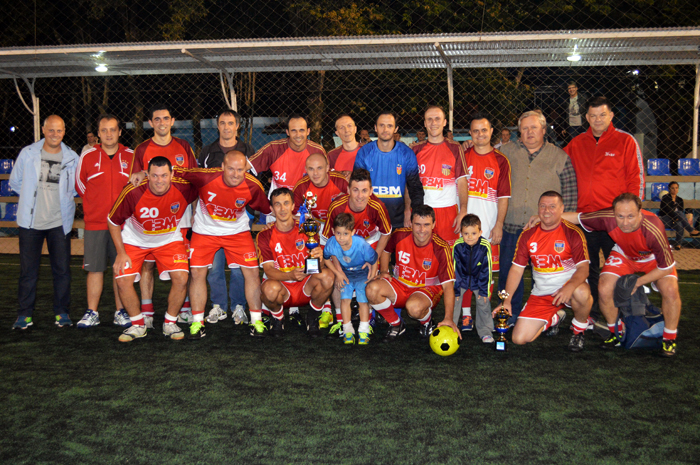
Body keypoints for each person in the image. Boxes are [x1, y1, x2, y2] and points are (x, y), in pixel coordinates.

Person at [558, 193, 679, 357]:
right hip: (625, 254)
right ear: (613, 213)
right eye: (620, 216)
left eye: (631, 216)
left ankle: (669, 338)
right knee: (604, 287)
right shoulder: (606, 217)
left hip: (652, 259)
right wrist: (542, 218)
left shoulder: (654, 228)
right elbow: (577, 217)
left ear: (640, 213)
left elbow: (666, 268)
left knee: (671, 291)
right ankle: (615, 332)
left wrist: (638, 282)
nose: (625, 222)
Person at [173, 151, 272, 338]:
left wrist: (275, 221)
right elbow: (177, 172)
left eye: (240, 170)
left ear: (246, 169)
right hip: (205, 232)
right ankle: (197, 323)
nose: (236, 174)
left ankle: (257, 321)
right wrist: (143, 173)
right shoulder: (205, 176)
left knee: (251, 272)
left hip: (237, 232)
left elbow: (267, 208)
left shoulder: (253, 185)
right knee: (197, 273)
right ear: (223, 168)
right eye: (231, 169)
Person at [564, 96, 644, 321]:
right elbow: (556, 162)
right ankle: (591, 313)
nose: (597, 119)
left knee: (620, 268)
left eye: (603, 114)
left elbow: (636, 178)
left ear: (611, 116)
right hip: (585, 219)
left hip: (614, 221)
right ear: (587, 117)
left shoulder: (625, 141)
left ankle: (625, 313)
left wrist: (633, 215)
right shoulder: (577, 143)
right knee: (587, 269)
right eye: (593, 115)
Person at [499, 110, 578, 325]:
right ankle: (507, 314)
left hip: (546, 231)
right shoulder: (505, 152)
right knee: (507, 275)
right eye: (524, 128)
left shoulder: (559, 156)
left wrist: (561, 227)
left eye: (534, 127)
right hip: (512, 227)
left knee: (546, 278)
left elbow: (570, 197)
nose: (529, 132)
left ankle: (551, 314)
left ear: (543, 130)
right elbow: (482, 156)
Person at [107, 156, 198, 342]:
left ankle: (170, 322)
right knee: (123, 278)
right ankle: (137, 324)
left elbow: (204, 182)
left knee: (182, 277)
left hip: (169, 238)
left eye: (164, 175)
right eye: (155, 176)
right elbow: (112, 221)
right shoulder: (133, 191)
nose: (159, 181)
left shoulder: (184, 188)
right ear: (147, 175)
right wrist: (121, 252)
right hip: (135, 240)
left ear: (172, 174)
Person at [130, 105, 199, 325]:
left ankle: (185, 308)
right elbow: (133, 182)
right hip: (151, 217)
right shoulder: (142, 149)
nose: (162, 123)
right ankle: (147, 312)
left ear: (172, 121)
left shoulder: (184, 146)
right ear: (151, 123)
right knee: (147, 265)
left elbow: (195, 179)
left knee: (182, 264)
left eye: (166, 118)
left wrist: (196, 210)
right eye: (157, 119)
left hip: (181, 216)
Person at [10, 115, 79, 330]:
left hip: (60, 223)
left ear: (64, 131)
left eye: (59, 131)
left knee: (62, 271)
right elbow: (15, 182)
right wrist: (33, 198)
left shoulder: (72, 157)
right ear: (43, 129)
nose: (55, 135)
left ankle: (62, 313)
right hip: (31, 224)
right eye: (51, 130)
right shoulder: (28, 153)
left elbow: (76, 186)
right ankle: (24, 315)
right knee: (28, 272)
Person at [500, 191, 592, 352]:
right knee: (518, 339)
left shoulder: (573, 232)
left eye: (552, 206)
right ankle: (555, 317)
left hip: (570, 289)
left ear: (562, 209)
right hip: (542, 294)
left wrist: (569, 287)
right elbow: (516, 269)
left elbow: (584, 269)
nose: (546, 210)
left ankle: (578, 331)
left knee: (582, 292)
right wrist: (506, 301)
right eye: (542, 206)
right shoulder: (528, 235)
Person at [75, 114, 135, 328]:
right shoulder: (88, 156)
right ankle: (92, 312)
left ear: (120, 132)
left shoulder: (131, 155)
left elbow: (136, 189)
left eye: (113, 129)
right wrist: (96, 206)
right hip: (96, 223)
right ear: (98, 134)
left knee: (121, 269)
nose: (109, 134)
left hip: (124, 225)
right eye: (104, 130)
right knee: (95, 269)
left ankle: (121, 312)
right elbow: (80, 186)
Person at [365, 205, 457, 341]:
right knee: (371, 290)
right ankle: (396, 324)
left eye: (426, 225)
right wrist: (384, 270)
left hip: (426, 289)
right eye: (418, 224)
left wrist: (448, 318)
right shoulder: (400, 235)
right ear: (411, 224)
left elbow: (448, 287)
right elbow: (386, 250)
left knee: (414, 308)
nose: (422, 230)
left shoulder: (441, 247)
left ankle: (426, 323)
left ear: (433, 225)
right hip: (400, 284)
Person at [198, 109, 255, 326]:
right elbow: (200, 184)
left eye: (231, 123)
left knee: (239, 266)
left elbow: (254, 185)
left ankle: (239, 306)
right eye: (222, 123)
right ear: (218, 125)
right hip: (211, 221)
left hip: (239, 217)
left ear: (237, 125)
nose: (227, 127)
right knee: (214, 266)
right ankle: (218, 306)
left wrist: (250, 212)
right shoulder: (207, 152)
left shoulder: (248, 150)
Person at [256, 188, 335, 337]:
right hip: (283, 287)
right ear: (272, 209)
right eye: (277, 204)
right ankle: (278, 318)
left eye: (286, 203)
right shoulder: (265, 235)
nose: (282, 208)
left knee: (328, 276)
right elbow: (268, 270)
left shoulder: (308, 228)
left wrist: (320, 259)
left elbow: (320, 266)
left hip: (305, 285)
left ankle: (312, 317)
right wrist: (291, 276)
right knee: (268, 289)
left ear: (293, 206)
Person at [322, 169, 392, 335]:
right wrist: (338, 271)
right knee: (338, 279)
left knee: (369, 279)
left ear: (371, 191)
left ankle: (367, 320)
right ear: (348, 190)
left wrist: (373, 257)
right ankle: (341, 321)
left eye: (364, 190)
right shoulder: (337, 207)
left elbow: (386, 233)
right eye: (355, 190)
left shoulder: (378, 206)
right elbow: (329, 243)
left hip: (368, 244)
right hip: (341, 245)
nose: (360, 196)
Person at [461, 113, 511, 329]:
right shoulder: (462, 156)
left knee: (486, 274)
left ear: (491, 132)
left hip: (488, 228)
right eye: (475, 131)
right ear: (470, 134)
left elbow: (503, 197)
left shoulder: (501, 160)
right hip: (463, 228)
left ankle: (483, 315)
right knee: (462, 271)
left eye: (484, 130)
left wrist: (499, 224)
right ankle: (465, 315)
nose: (480, 134)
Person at [292, 153, 348, 327]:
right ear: (305, 170)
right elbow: (295, 218)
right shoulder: (301, 187)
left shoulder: (341, 182)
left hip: (339, 230)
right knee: (317, 265)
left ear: (327, 169)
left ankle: (342, 316)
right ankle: (325, 309)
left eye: (319, 168)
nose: (315, 173)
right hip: (314, 230)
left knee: (340, 267)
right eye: (310, 169)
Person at [354, 111, 424, 229]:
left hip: (399, 221)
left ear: (396, 129)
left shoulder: (406, 154)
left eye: (389, 126)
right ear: (375, 128)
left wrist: (413, 214)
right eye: (381, 125)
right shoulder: (364, 153)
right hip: (370, 220)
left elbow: (415, 187)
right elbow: (356, 186)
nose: (385, 129)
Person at [411, 105, 468, 246]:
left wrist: (463, 210)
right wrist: (408, 210)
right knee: (422, 255)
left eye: (437, 119)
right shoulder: (415, 149)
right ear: (424, 123)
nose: (433, 123)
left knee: (447, 258)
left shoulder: (456, 148)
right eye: (429, 119)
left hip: (447, 211)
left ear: (444, 122)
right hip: (421, 211)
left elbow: (462, 182)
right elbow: (409, 184)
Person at [323, 213, 378, 345]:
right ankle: (347, 330)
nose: (341, 238)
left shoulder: (361, 244)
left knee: (362, 301)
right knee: (345, 299)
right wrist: (337, 273)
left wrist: (373, 275)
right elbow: (326, 259)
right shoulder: (331, 243)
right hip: (345, 274)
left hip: (361, 274)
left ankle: (364, 330)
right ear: (333, 231)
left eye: (345, 234)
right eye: (338, 233)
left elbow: (374, 259)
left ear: (353, 232)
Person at [247, 114, 327, 192]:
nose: (298, 135)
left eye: (301, 130)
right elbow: (244, 168)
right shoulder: (273, 148)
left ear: (308, 131)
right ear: (287, 132)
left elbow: (328, 179)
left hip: (309, 201)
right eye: (293, 131)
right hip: (280, 202)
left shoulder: (317, 151)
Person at [452, 214, 495, 342]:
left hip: (478, 279)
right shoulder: (457, 245)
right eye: (466, 233)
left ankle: (485, 331)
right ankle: (451, 328)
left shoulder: (485, 246)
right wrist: (457, 289)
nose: (470, 237)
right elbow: (456, 269)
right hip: (462, 279)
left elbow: (486, 270)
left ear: (480, 232)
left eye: (473, 233)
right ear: (461, 233)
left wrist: (483, 290)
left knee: (483, 302)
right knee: (454, 300)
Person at [659, 181, 700, 249]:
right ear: (669, 189)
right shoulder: (665, 198)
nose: (675, 190)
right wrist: (675, 217)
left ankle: (678, 244)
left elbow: (681, 210)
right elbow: (668, 211)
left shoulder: (680, 200)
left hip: (676, 220)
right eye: (673, 188)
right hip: (665, 219)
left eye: (676, 188)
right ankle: (690, 230)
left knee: (680, 223)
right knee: (678, 213)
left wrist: (676, 218)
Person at [328, 114, 361, 180]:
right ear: (337, 133)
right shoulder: (332, 156)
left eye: (349, 126)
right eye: (342, 127)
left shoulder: (367, 151)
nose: (346, 130)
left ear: (355, 129)